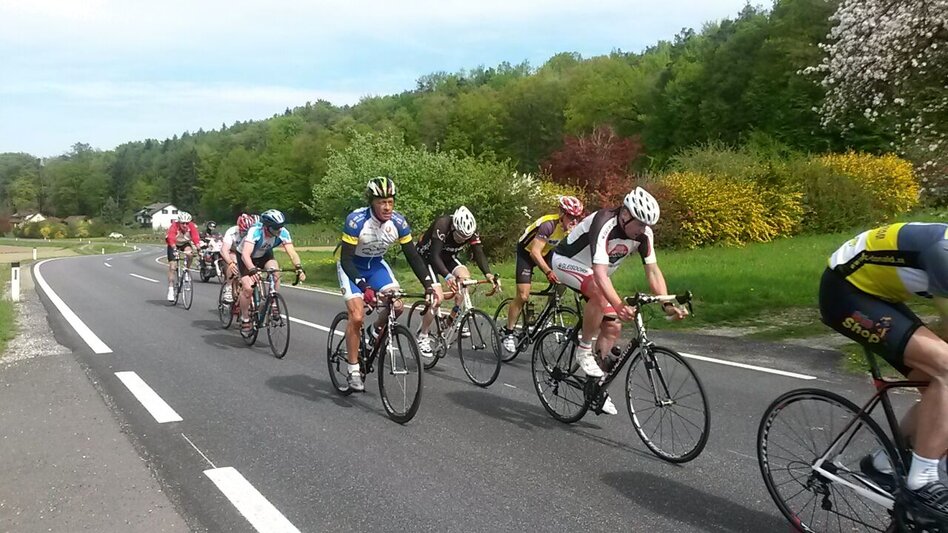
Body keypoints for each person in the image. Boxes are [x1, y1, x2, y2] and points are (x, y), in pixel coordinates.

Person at [820, 222, 948, 520]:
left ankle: (884, 462)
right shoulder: (943, 253)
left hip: (878, 295)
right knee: (945, 368)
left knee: (937, 385)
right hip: (844, 293)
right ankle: (922, 480)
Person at [550, 187, 687, 415]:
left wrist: (667, 304)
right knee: (600, 293)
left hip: (594, 274)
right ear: (625, 215)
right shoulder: (605, 222)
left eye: (647, 225)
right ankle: (583, 350)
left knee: (613, 326)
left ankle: (595, 387)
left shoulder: (644, 234)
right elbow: (600, 274)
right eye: (640, 224)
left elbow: (653, 271)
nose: (643, 230)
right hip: (566, 262)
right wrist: (619, 304)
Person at [337, 177, 438, 391]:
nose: (387, 207)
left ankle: (374, 332)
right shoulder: (356, 221)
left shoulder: (398, 223)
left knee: (397, 306)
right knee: (357, 316)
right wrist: (363, 287)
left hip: (376, 266)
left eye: (390, 202)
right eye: (382, 202)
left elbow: (413, 256)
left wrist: (428, 285)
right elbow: (346, 259)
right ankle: (353, 369)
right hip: (352, 267)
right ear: (372, 202)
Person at [501, 196, 584, 353]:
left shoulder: (571, 229)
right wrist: (548, 271)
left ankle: (547, 314)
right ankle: (508, 333)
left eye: (577, 218)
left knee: (562, 280)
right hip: (527, 253)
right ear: (562, 214)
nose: (574, 221)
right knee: (523, 296)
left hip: (546, 252)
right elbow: (534, 252)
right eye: (571, 217)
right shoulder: (548, 224)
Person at [415, 206, 500, 358]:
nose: (462, 240)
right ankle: (423, 336)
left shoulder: (470, 231)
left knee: (465, 281)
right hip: (427, 258)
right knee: (437, 299)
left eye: (465, 238)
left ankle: (452, 320)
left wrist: (488, 274)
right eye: (460, 236)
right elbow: (435, 256)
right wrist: (448, 277)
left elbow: (478, 252)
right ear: (454, 227)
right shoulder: (442, 224)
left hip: (447, 258)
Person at [237, 209, 306, 331]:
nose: (279, 230)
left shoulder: (283, 232)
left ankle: (273, 299)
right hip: (246, 257)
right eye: (276, 227)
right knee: (248, 288)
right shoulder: (255, 231)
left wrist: (298, 267)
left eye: (281, 226)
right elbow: (245, 255)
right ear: (266, 227)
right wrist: (252, 269)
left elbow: (292, 253)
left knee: (275, 271)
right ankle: (245, 318)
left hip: (264, 255)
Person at [219, 214, 258, 304]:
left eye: (247, 232)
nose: (245, 234)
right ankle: (229, 287)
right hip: (232, 252)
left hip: (246, 253)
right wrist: (230, 263)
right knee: (234, 263)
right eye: (243, 232)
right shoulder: (231, 232)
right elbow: (224, 250)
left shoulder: (253, 233)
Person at [165, 212, 200, 302]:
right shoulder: (174, 226)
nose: (185, 225)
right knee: (172, 267)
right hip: (173, 244)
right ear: (179, 222)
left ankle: (186, 270)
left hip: (184, 243)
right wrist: (174, 249)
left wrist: (198, 247)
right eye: (183, 223)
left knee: (190, 254)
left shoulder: (191, 226)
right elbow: (170, 238)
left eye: (187, 223)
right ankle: (171, 289)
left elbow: (195, 236)